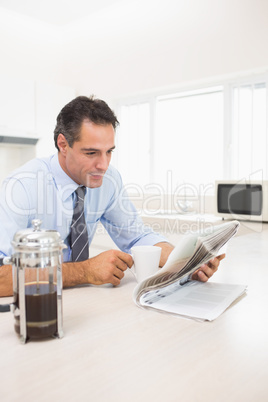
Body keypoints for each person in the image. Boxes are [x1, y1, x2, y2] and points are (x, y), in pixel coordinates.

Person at [0, 96, 224, 297]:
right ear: (63, 144)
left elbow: (137, 237)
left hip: (84, 302)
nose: (103, 165)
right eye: (91, 153)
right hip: (35, 305)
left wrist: (187, 263)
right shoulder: (22, 187)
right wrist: (84, 272)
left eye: (109, 151)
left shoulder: (108, 180)